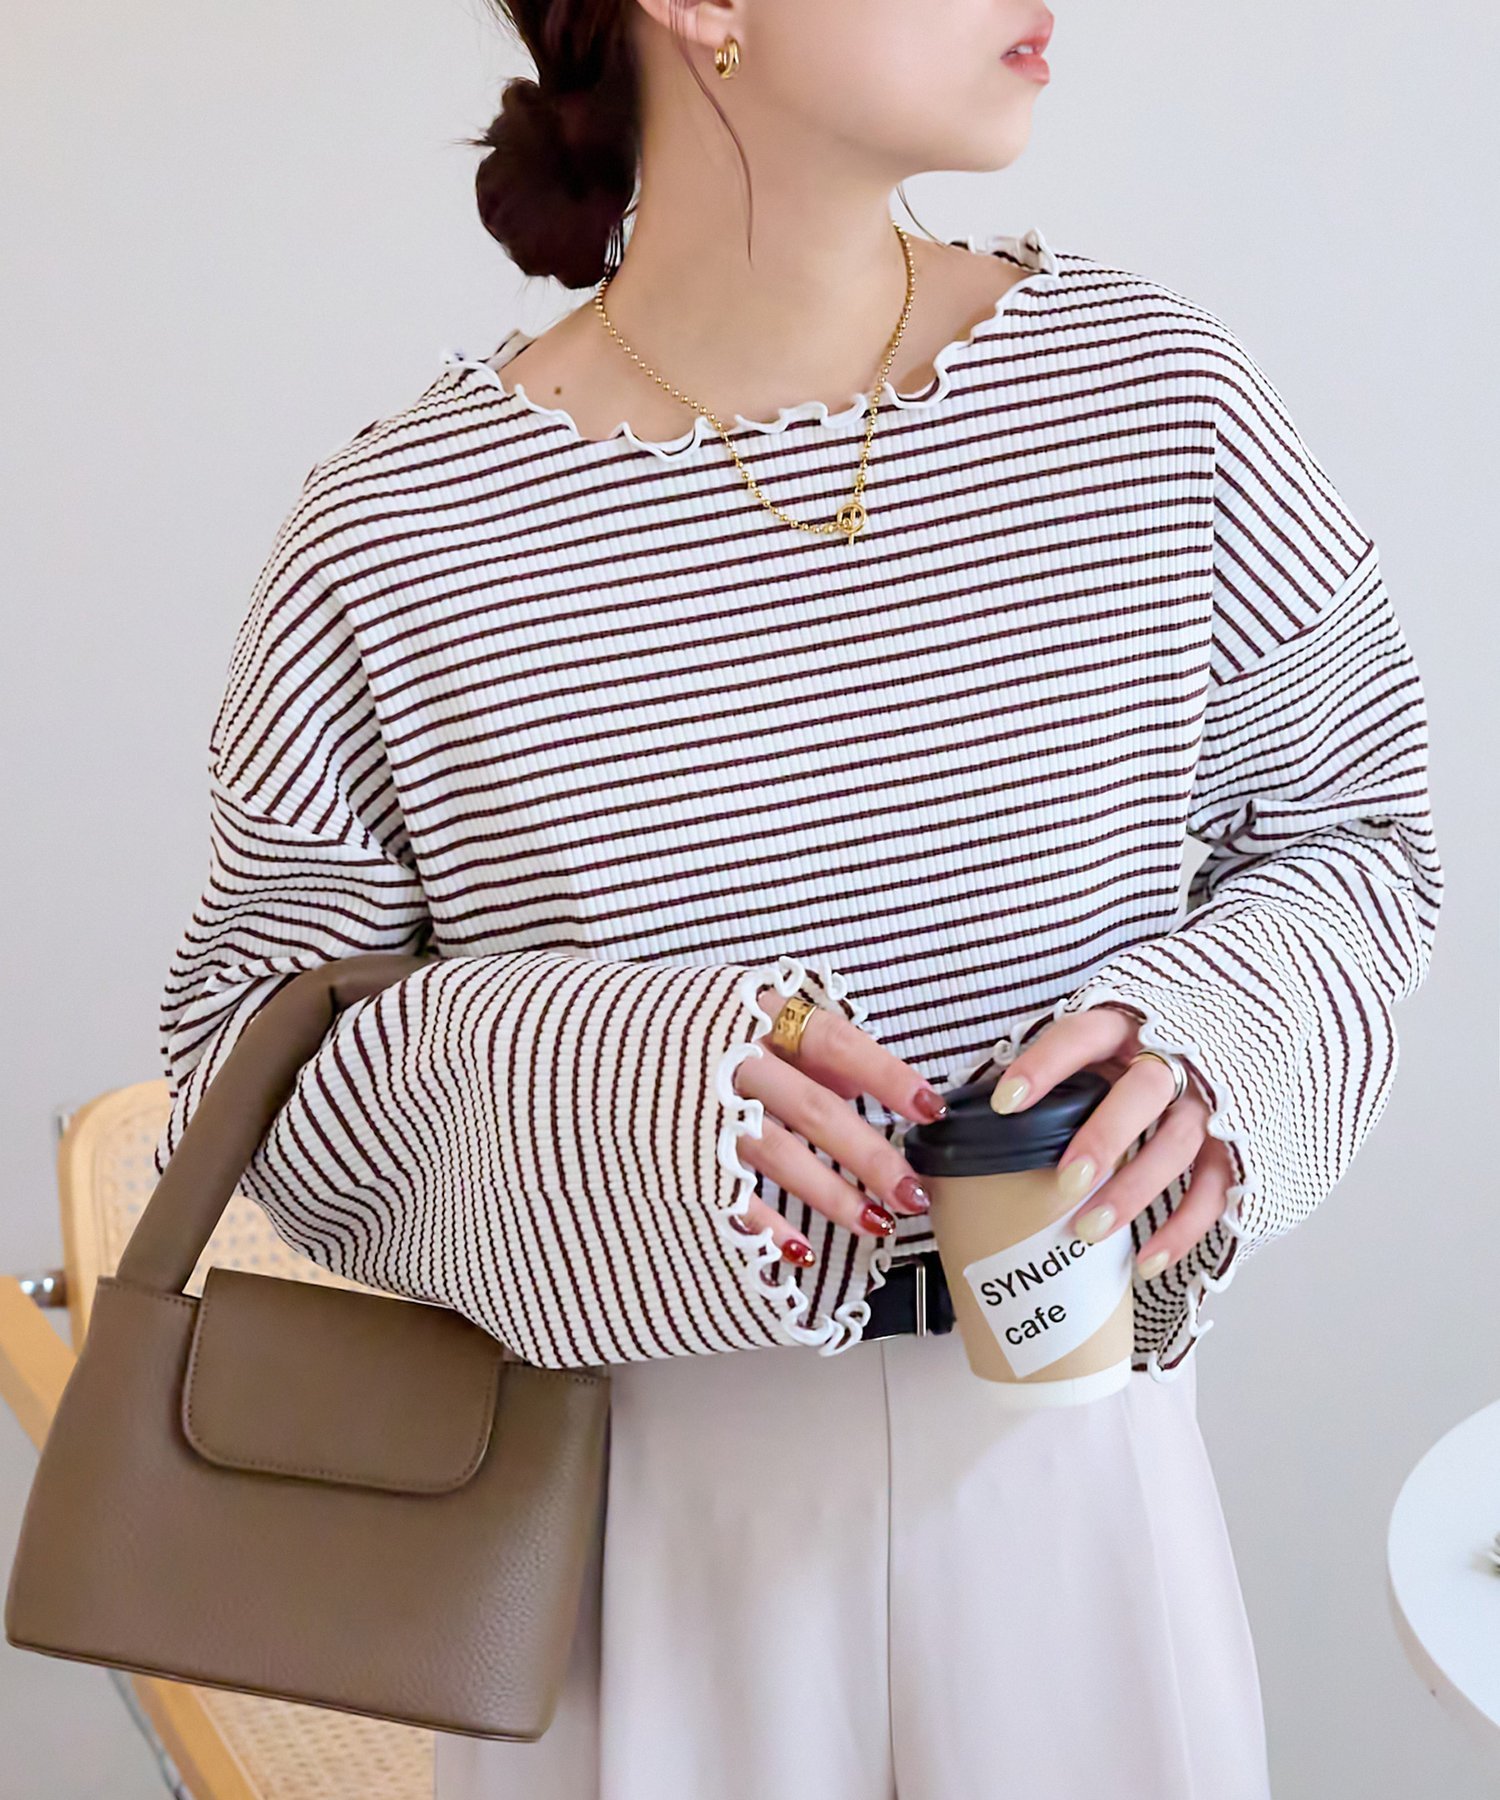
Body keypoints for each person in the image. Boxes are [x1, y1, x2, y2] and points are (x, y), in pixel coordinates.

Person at [151, 0, 1443, 1794]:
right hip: (632, 1550)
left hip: (1085, 1496)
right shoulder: (399, 535)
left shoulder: (1157, 401)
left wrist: (1215, 1043)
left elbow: (1359, 833)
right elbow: (249, 1054)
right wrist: (623, 1084)